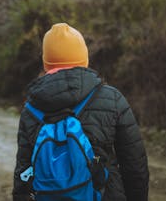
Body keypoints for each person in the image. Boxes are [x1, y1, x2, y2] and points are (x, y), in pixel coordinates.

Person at [12, 23, 149, 201]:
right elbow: (134, 165)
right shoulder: (112, 99)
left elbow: (23, 172)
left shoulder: (31, 109)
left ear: (46, 63)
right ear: (84, 58)